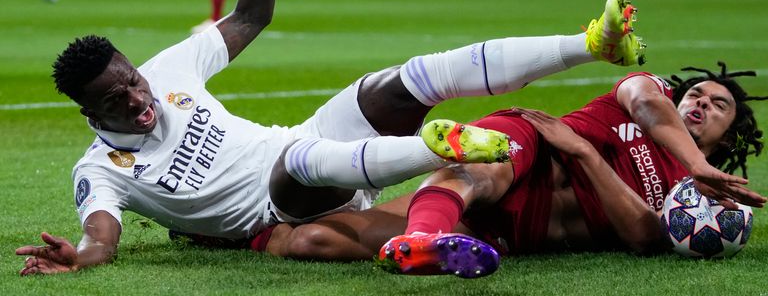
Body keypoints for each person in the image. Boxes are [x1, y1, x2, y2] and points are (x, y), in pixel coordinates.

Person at [16, 0, 649, 275]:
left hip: (315, 140)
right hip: (285, 207)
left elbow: (252, 13)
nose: (136, 97)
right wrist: (84, 257)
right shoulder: (101, 170)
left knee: (398, 80)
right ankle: (434, 148)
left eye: (132, 81)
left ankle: (592, 42)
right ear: (90, 115)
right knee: (296, 165)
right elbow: (102, 234)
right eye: (116, 99)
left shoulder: (168, 69)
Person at [254, 64, 766, 279]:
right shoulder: (647, 97)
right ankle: (423, 239)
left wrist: (585, 153)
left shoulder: (691, 200)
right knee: (479, 168)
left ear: (731, 135)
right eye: (696, 93)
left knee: (312, 244)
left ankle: (236, 239)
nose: (700, 102)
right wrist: (696, 162)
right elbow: (648, 100)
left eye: (718, 106)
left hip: (517, 230)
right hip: (531, 147)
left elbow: (642, 236)